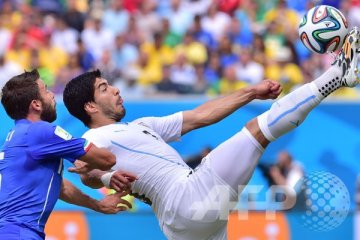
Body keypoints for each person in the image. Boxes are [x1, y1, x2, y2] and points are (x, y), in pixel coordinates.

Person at [63, 28, 360, 240]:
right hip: (185, 197)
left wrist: (250, 92)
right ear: (90, 106)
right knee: (259, 130)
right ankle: (337, 76)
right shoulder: (95, 139)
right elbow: (84, 169)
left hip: (180, 225)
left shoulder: (140, 126)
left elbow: (199, 116)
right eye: (104, 88)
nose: (114, 89)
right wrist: (101, 177)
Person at [0, 69, 137, 240]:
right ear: (36, 104)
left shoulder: (17, 136)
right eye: (46, 90)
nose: (51, 95)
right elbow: (106, 159)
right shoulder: (41, 131)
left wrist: (97, 205)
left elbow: (61, 187)